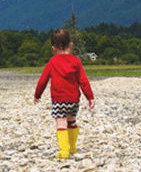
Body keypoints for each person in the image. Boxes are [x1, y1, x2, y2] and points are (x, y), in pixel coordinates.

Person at [33, 29, 95, 159]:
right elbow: (83, 81)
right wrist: (90, 97)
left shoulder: (52, 62)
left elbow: (43, 80)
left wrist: (37, 95)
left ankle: (64, 151)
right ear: (70, 45)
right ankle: (72, 147)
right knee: (71, 121)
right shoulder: (76, 61)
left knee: (61, 124)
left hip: (59, 100)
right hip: (73, 100)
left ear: (53, 48)